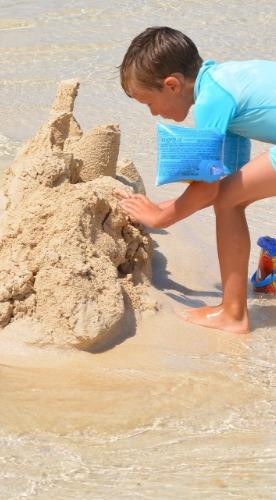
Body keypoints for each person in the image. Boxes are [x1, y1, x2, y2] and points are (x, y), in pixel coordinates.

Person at [117, 26, 276, 334]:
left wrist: (162, 216)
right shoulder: (223, 81)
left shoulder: (211, 101)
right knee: (231, 195)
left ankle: (233, 314)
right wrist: (169, 204)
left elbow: (214, 190)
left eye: (148, 102)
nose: (152, 113)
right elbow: (225, 176)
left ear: (172, 85)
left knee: (230, 200)